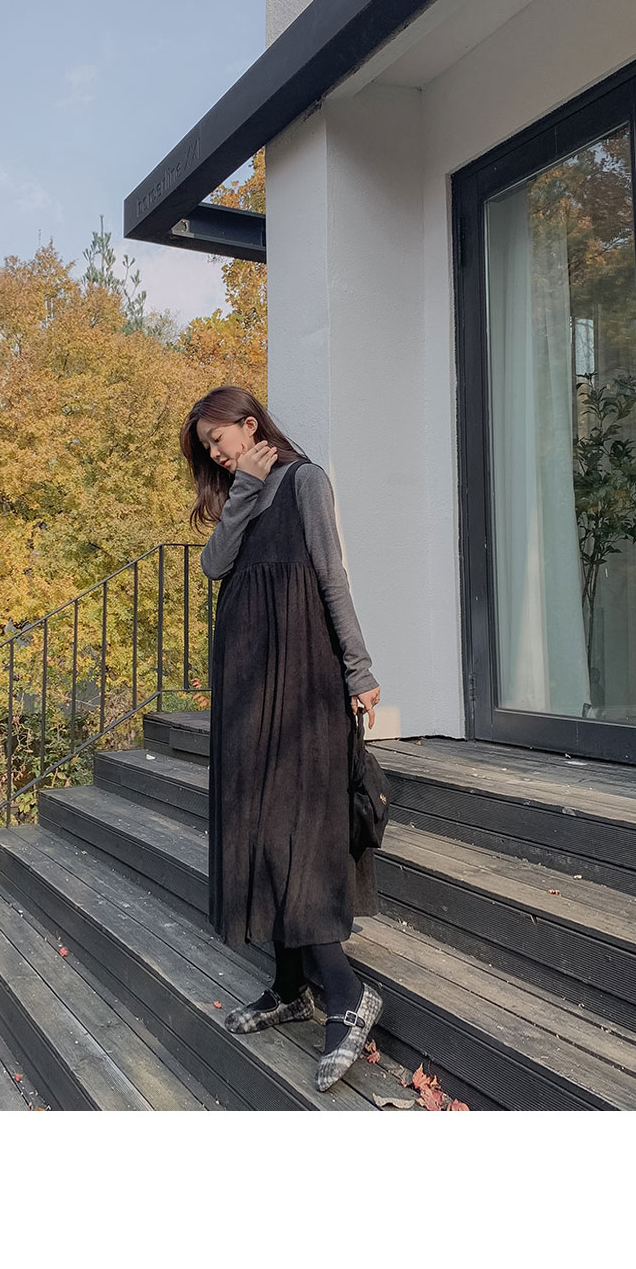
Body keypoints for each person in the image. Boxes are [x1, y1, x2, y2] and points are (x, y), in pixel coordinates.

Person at [179, 384, 383, 1092]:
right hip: (247, 690)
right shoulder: (243, 495)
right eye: (207, 448)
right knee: (258, 830)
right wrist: (242, 487)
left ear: (249, 423)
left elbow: (331, 576)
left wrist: (359, 670)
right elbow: (213, 565)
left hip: (301, 684)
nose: (215, 453)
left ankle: (347, 995)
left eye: (218, 439)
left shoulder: (305, 481)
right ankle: (291, 986)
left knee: (292, 834)